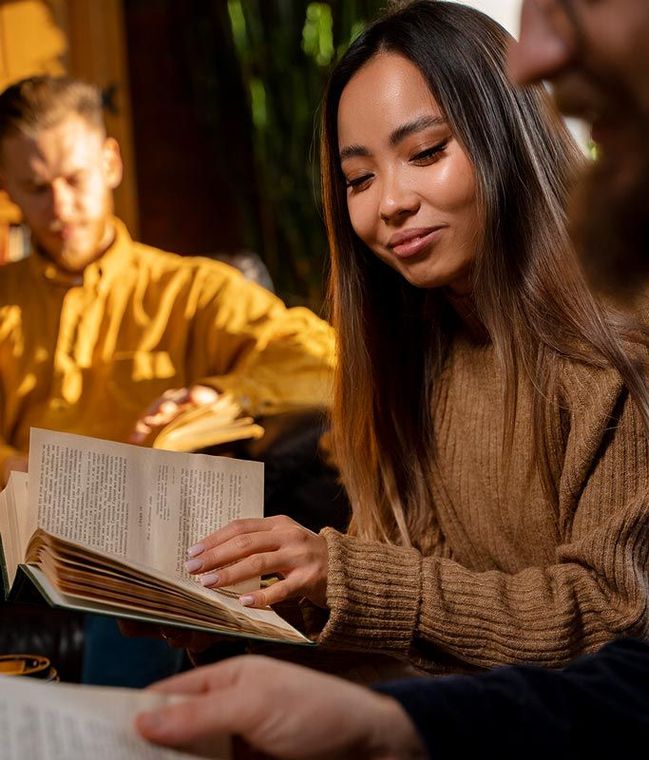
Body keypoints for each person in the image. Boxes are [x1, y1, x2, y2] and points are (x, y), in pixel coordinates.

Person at [134, 0, 649, 757]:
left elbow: (610, 621)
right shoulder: (409, 353)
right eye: (357, 178)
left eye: (426, 151)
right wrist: (252, 623)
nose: (389, 204)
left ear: (506, 131)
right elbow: (433, 634)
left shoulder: (616, 337)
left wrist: (339, 574)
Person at [0, 75, 336, 687]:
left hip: (134, 532)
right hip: (17, 522)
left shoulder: (188, 290)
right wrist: (23, 469)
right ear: (7, 189)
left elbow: (322, 356)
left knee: (148, 549)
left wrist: (220, 394)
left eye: (74, 180)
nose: (60, 208)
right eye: (34, 188)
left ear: (110, 162)